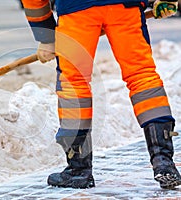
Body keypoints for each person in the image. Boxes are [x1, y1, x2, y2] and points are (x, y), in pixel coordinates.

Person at [21, 0, 181, 189]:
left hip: (77, 11)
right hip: (125, 7)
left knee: (74, 84)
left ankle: (78, 170)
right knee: (142, 76)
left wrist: (45, 36)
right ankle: (163, 162)